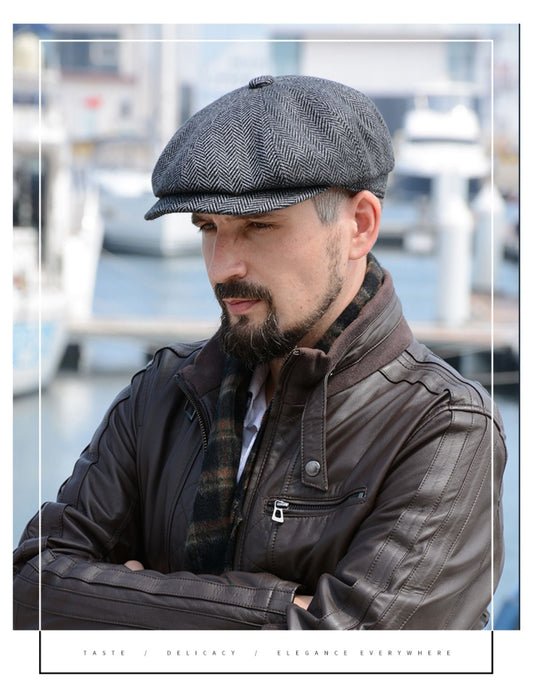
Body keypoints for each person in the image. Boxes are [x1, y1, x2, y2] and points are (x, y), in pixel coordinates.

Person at [13, 74, 506, 630]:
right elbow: (30, 590)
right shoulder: (161, 391)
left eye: (258, 226)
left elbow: (361, 653)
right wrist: (287, 606)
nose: (222, 267)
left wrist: (124, 594)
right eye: (208, 227)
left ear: (360, 226)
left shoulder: (446, 427)